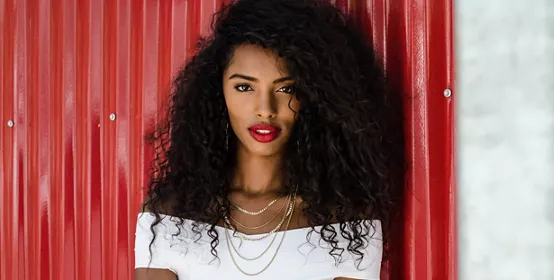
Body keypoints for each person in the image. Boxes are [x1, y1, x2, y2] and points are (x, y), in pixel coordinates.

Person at [134, 0, 404, 279]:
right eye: (244, 87)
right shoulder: (169, 213)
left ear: (311, 97)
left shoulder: (347, 221)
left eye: (286, 88)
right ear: (218, 93)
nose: (265, 107)